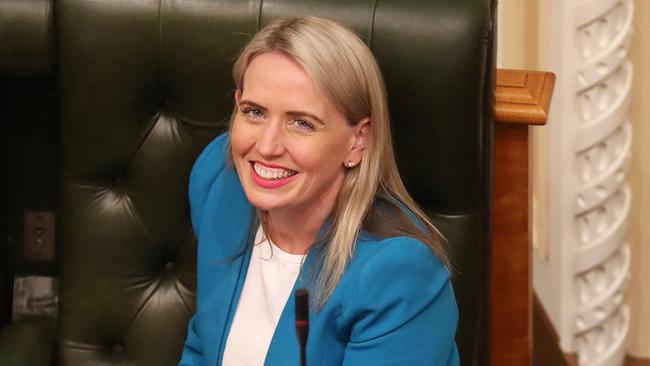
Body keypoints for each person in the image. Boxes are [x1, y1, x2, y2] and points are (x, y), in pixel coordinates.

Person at [179, 16, 459, 366]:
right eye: (254, 112)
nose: (266, 146)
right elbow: (201, 349)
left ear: (358, 141)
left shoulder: (399, 274)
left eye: (301, 123)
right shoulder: (219, 183)